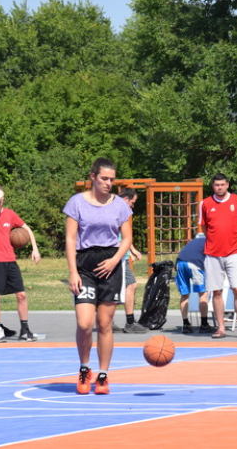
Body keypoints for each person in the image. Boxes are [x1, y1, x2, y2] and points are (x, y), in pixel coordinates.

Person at [64, 158, 133, 394]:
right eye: (104, 178)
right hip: (85, 265)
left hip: (111, 265)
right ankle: (85, 368)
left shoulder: (121, 206)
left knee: (104, 324)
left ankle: (103, 375)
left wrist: (116, 260)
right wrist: (73, 272)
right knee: (84, 324)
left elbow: (127, 239)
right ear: (93, 177)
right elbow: (71, 239)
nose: (109, 183)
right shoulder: (76, 203)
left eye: (112, 179)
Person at [0, 184, 41, 343]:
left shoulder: (9, 214)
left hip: (10, 260)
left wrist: (35, 248)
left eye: (2, 198)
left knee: (21, 295)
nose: (0, 201)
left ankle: (24, 329)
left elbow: (26, 229)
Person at [199, 173, 237, 339]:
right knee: (217, 292)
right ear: (212, 186)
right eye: (216, 185)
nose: (219, 187)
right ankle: (221, 327)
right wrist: (215, 240)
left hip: (233, 252)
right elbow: (204, 227)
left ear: (227, 185)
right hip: (213, 254)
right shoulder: (205, 203)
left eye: (222, 184)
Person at [111, 189, 149, 334]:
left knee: (114, 288)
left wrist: (131, 249)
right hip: (117, 255)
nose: (132, 207)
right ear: (126, 199)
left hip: (120, 254)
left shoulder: (113, 206)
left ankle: (109, 321)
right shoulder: (119, 208)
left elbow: (123, 233)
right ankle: (130, 322)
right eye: (132, 203)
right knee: (131, 284)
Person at [175, 234, 213, 334]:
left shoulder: (198, 240)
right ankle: (204, 324)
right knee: (203, 293)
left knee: (184, 294)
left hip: (180, 262)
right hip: (195, 264)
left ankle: (186, 324)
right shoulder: (213, 242)